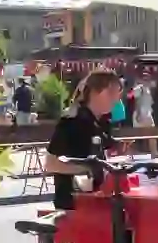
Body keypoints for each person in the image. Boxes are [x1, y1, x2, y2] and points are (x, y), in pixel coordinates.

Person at [44, 68, 122, 211]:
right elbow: (51, 164)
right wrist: (88, 170)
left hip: (98, 202)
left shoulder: (103, 122)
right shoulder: (71, 121)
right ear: (98, 93)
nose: (117, 100)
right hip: (72, 205)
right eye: (113, 93)